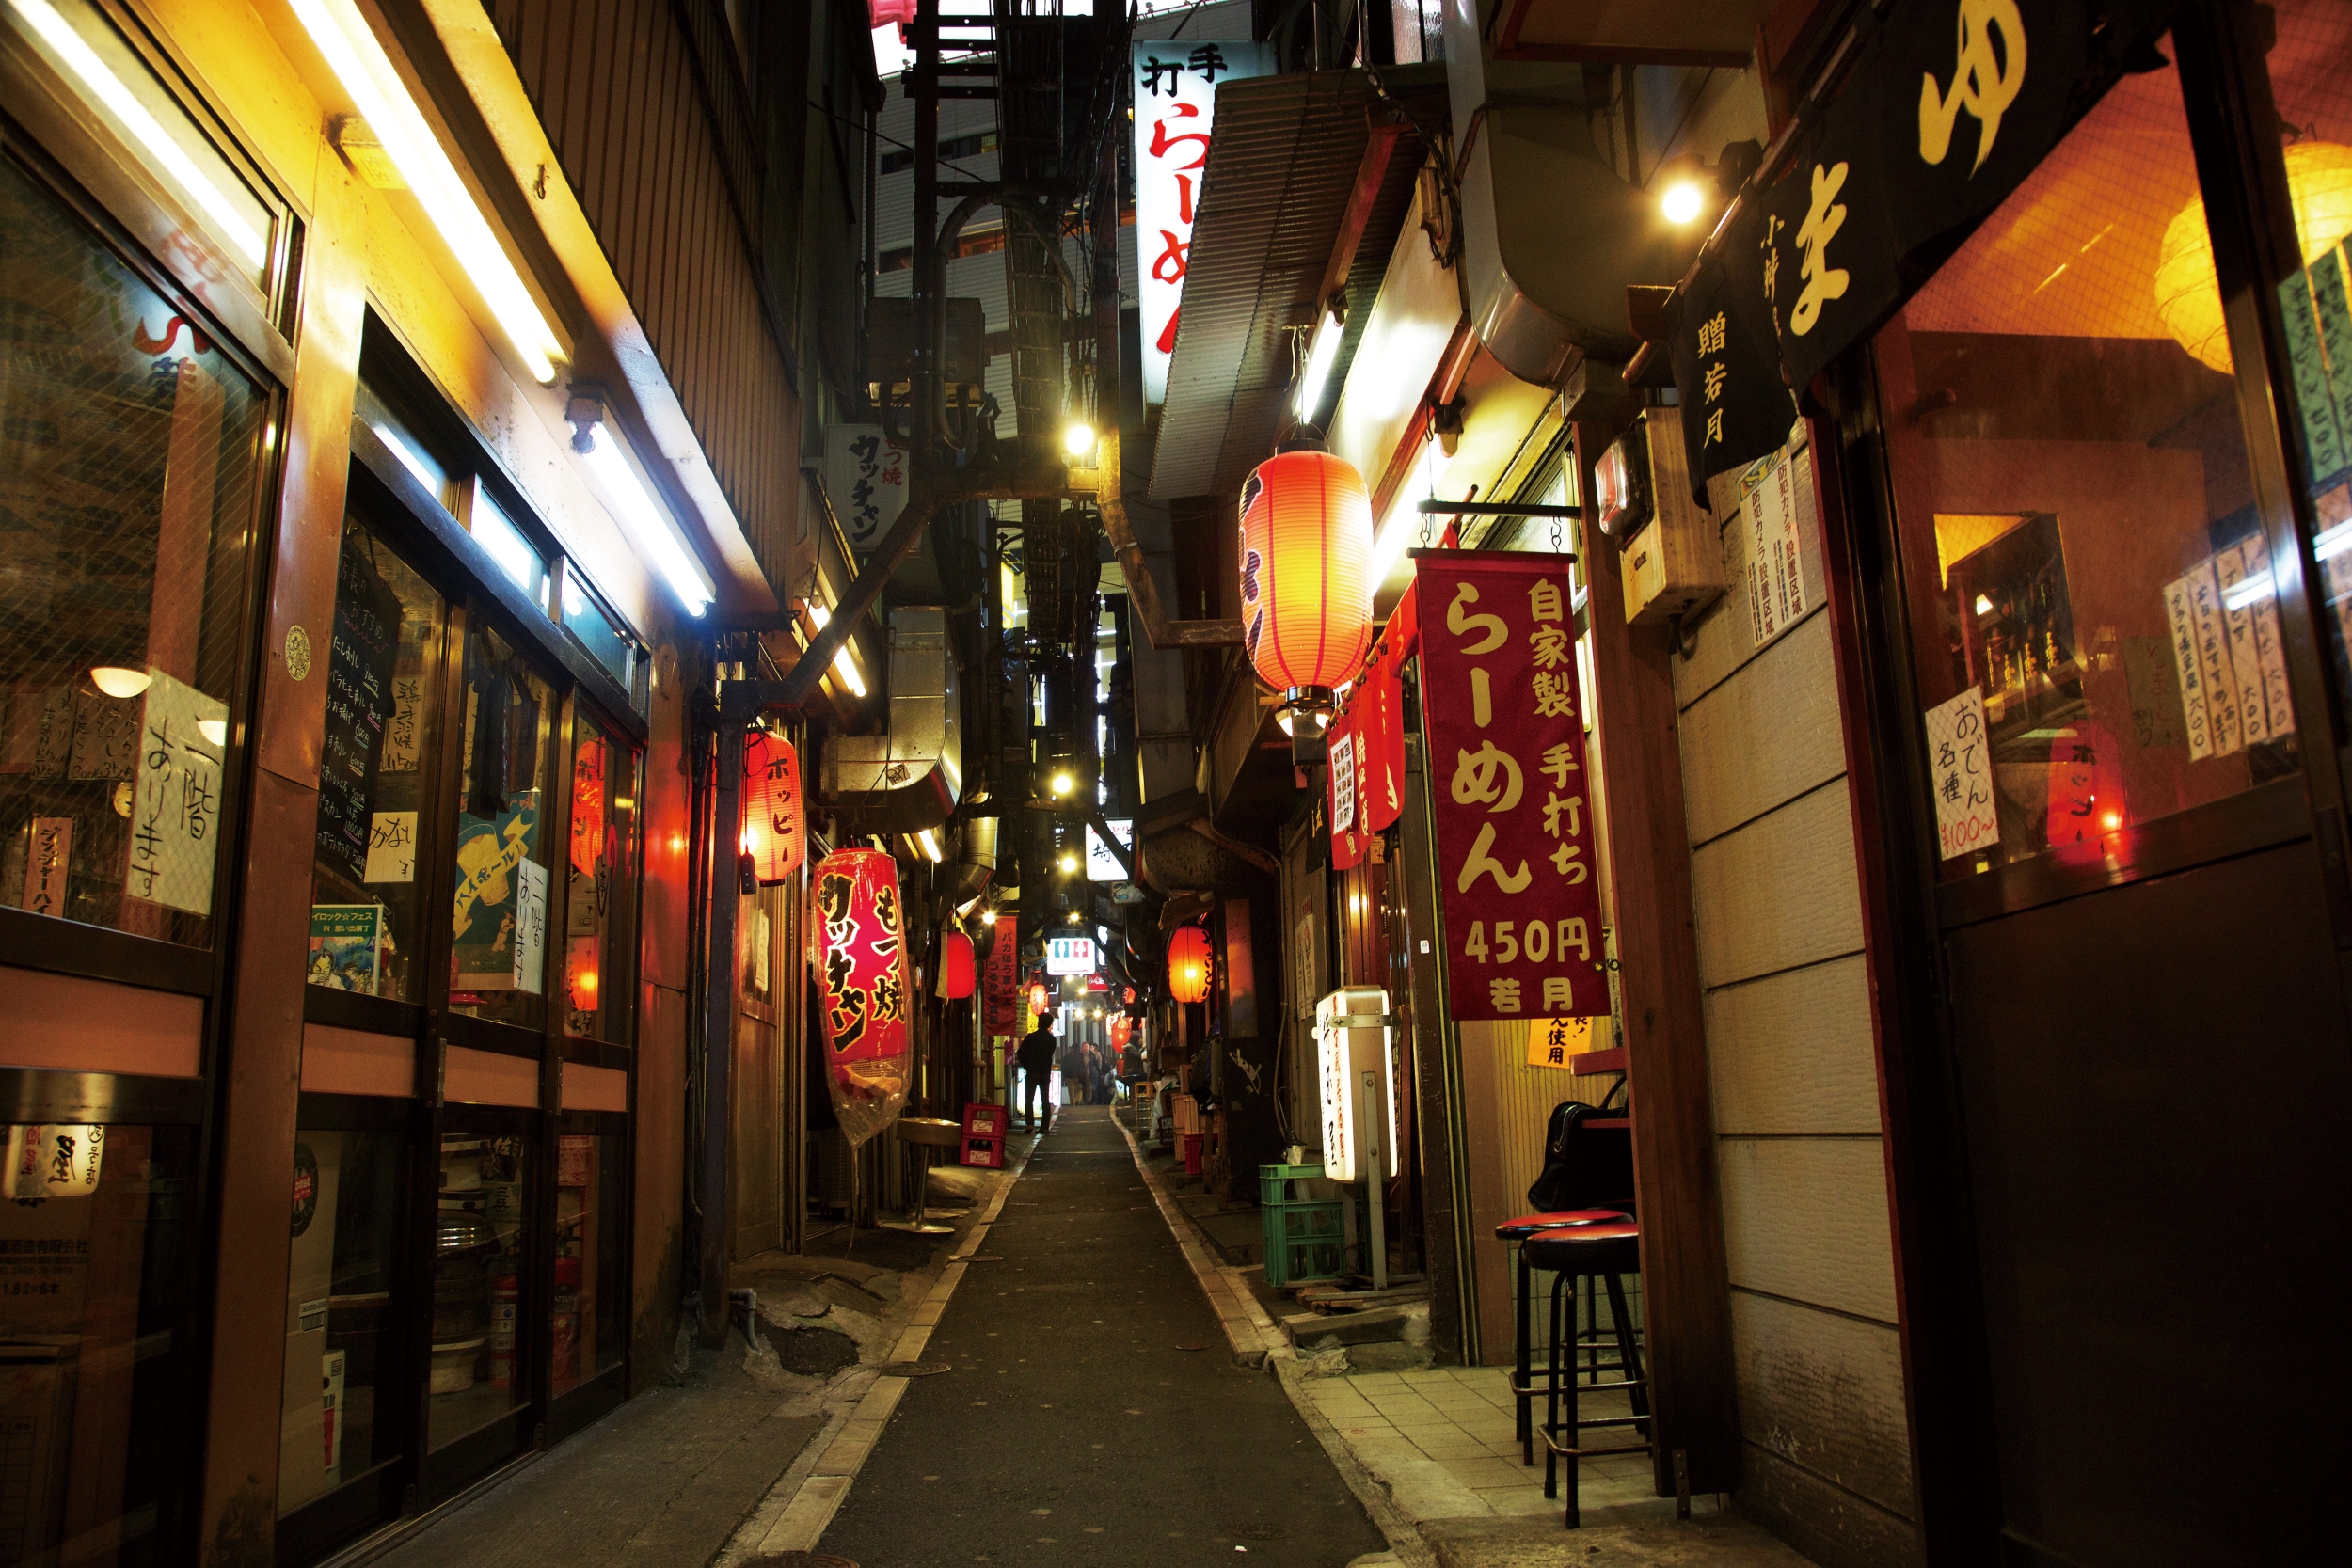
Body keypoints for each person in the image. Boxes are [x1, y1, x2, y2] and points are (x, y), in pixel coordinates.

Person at [1015, 1020, 1057, 1133]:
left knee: (1029, 1098)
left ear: (1039, 1024)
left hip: (1032, 1071)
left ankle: (1030, 1124)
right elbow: (1049, 1054)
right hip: (1044, 1072)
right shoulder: (1052, 1039)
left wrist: (1026, 1065)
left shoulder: (1030, 1037)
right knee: (1045, 1099)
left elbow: (1020, 1052)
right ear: (1049, 1025)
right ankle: (1044, 1126)